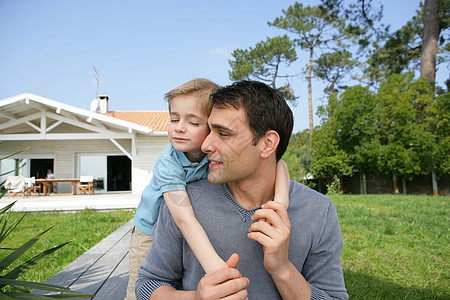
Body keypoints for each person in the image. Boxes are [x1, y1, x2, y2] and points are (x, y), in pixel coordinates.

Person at [135, 81, 348, 299]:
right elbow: (147, 286)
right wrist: (195, 298)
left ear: (267, 144)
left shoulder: (319, 211)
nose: (206, 145)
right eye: (210, 130)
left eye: (223, 133)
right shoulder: (186, 200)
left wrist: (282, 269)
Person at [125, 78, 292, 299]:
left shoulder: (211, 153)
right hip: (148, 228)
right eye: (173, 119)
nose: (179, 128)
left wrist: (279, 207)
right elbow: (184, 220)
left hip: (181, 223)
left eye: (194, 123)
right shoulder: (169, 163)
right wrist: (218, 271)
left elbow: (280, 164)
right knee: (135, 289)